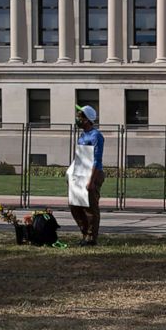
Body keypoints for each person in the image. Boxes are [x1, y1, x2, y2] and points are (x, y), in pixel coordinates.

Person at [69, 104, 105, 246]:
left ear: (87, 119)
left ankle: (91, 237)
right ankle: (84, 233)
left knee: (90, 207)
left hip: (92, 175)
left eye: (80, 117)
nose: (78, 119)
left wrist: (91, 181)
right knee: (75, 205)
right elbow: (79, 158)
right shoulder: (82, 136)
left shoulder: (96, 136)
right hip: (79, 173)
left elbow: (97, 160)